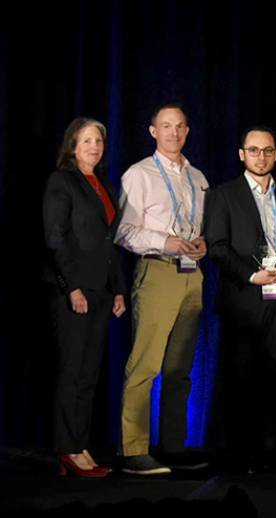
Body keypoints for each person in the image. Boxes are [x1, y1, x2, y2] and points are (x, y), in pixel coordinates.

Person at [204, 125, 276, 473]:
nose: (260, 156)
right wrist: (251, 274)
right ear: (241, 154)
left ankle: (270, 455)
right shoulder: (223, 195)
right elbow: (216, 247)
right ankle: (237, 456)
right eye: (253, 150)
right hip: (242, 298)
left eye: (267, 150)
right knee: (241, 378)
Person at [115, 103, 209, 475]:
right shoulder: (139, 174)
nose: (173, 133)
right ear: (153, 131)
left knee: (179, 368)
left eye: (180, 126)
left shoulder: (198, 176)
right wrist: (164, 242)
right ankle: (133, 449)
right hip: (156, 272)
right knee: (145, 364)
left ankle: (173, 446)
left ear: (187, 131)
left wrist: (202, 243)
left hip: (192, 274)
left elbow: (197, 226)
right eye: (165, 126)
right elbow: (123, 230)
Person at [43, 117, 127, 477]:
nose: (94, 146)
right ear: (72, 146)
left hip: (102, 291)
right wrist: (72, 287)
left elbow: (109, 243)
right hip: (73, 291)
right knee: (73, 371)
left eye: (99, 141)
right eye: (87, 140)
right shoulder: (61, 181)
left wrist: (119, 289)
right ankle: (67, 449)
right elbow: (56, 238)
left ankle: (79, 446)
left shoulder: (102, 184)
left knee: (90, 374)